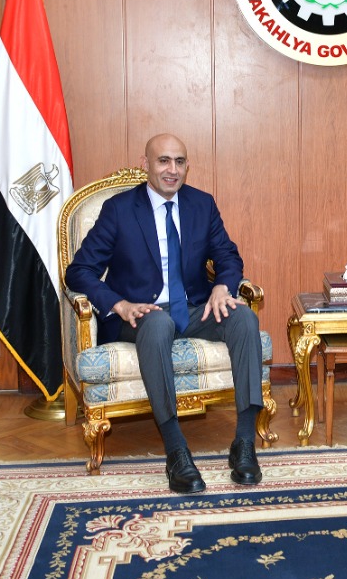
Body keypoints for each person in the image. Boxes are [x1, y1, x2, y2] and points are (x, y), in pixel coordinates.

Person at [65, 134, 265, 495]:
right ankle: (176, 451)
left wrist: (223, 286)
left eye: (180, 161)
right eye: (163, 161)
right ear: (146, 164)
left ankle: (244, 443)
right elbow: (78, 271)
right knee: (158, 323)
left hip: (193, 308)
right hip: (140, 315)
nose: (172, 169)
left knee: (244, 318)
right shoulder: (119, 209)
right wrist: (119, 304)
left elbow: (228, 256)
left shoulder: (201, 204)